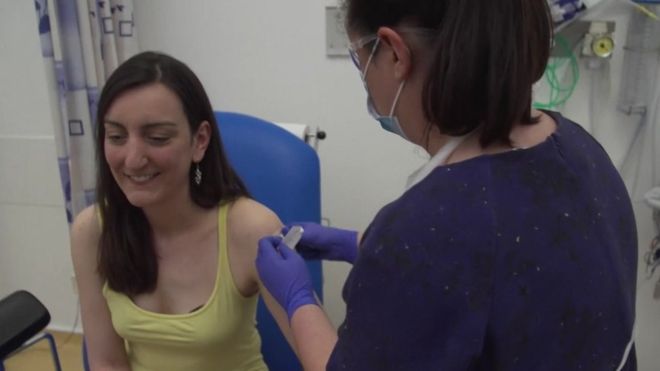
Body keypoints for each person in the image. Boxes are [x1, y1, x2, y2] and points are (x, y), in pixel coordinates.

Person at [255, 0, 638, 370]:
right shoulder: (579, 148)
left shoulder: (424, 231)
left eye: (361, 60)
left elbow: (459, 254)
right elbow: (510, 263)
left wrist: (297, 298)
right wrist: (360, 245)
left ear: (394, 53)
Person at [70, 51, 293, 371]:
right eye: (117, 136)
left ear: (200, 140)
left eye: (157, 138)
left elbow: (319, 356)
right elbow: (107, 361)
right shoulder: (92, 231)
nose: (132, 160)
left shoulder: (250, 229)